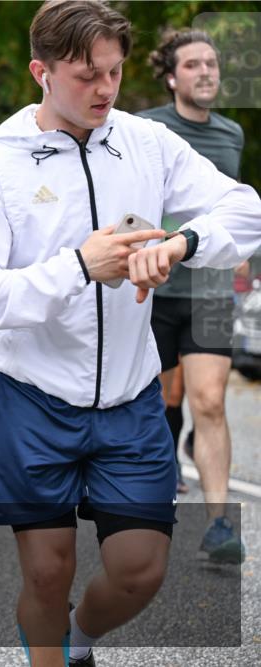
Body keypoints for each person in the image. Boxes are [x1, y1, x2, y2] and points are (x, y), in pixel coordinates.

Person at [0, 2, 261, 666]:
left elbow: (245, 207)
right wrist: (78, 267)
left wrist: (181, 243)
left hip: (130, 395)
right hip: (31, 395)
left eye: (114, 73)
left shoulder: (145, 143)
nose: (106, 91)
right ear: (41, 71)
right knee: (47, 573)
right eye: (87, 75)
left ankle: (77, 638)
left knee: (139, 569)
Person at [138, 28, 247, 559]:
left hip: (209, 291)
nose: (206, 71)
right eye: (194, 64)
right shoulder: (148, 131)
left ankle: (221, 524)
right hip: (154, 292)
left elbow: (235, 213)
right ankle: (150, 499)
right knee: (155, 401)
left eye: (212, 63)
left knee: (208, 399)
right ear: (171, 76)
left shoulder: (232, 135)